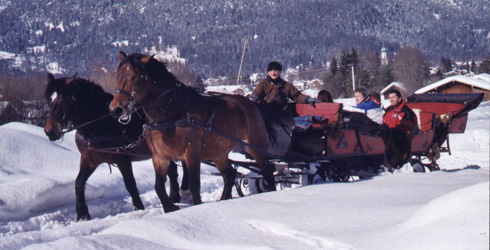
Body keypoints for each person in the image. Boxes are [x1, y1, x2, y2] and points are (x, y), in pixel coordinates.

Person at [250, 61, 319, 111]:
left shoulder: (285, 85)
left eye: (276, 71)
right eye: (271, 71)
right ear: (268, 72)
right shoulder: (263, 84)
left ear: (280, 72)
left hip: (282, 113)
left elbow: (296, 95)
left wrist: (306, 99)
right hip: (267, 113)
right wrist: (255, 99)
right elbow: (256, 94)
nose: (273, 73)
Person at [382, 89, 417, 171]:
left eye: (393, 97)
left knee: (392, 133)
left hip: (402, 136)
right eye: (390, 97)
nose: (391, 99)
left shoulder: (406, 111)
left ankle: (395, 159)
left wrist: (394, 126)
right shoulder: (388, 110)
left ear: (400, 98)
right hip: (389, 132)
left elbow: (409, 126)